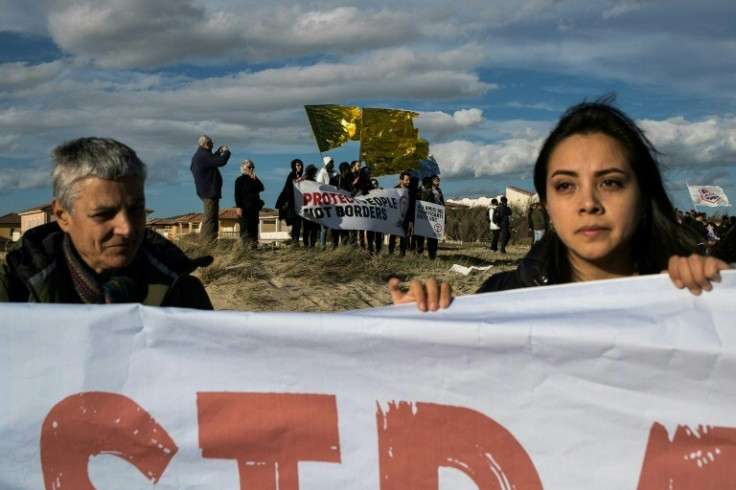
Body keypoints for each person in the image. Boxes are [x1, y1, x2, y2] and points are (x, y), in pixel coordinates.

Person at [390, 99, 731, 311]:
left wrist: (717, 299)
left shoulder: (691, 293)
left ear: (644, 196)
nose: (588, 203)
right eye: (565, 186)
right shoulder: (499, 299)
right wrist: (420, 326)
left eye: (610, 182)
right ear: (548, 204)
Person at [0, 137, 213, 308]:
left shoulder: (182, 292)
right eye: (103, 214)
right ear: (63, 215)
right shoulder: (13, 290)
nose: (126, 229)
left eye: (136, 210)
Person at [191, 135, 230, 243]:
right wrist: (226, 152)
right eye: (212, 144)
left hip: (206, 191)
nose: (213, 145)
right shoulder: (203, 155)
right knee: (210, 220)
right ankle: (206, 244)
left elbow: (213, 160)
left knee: (211, 218)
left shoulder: (200, 155)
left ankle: (209, 243)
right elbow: (221, 161)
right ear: (207, 144)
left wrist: (218, 152)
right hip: (209, 192)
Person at [234, 159, 264, 248]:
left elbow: (261, 188)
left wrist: (256, 179)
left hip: (254, 208)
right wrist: (239, 207)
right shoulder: (239, 180)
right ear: (244, 168)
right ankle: (245, 249)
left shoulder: (253, 179)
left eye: (253, 167)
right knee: (245, 229)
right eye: (249, 167)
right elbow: (237, 194)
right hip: (244, 208)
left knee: (254, 228)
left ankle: (254, 247)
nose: (251, 169)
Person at [275, 158, 303, 246]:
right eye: (298, 165)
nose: (300, 167)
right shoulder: (291, 176)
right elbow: (288, 189)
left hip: (299, 204)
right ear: (294, 166)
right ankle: (295, 243)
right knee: (296, 223)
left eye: (300, 165)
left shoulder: (301, 176)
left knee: (298, 224)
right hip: (292, 205)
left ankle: (296, 242)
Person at [317, 156, 336, 250]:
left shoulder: (334, 173)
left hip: (334, 203)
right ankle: (322, 247)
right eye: (331, 162)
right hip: (324, 203)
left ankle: (333, 247)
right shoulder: (321, 175)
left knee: (333, 226)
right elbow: (319, 188)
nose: (332, 164)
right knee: (324, 228)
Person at [301, 164, 320, 247]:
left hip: (314, 209)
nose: (315, 174)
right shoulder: (303, 182)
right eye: (314, 173)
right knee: (306, 228)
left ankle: (312, 245)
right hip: (306, 208)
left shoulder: (315, 183)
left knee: (314, 229)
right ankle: (306, 245)